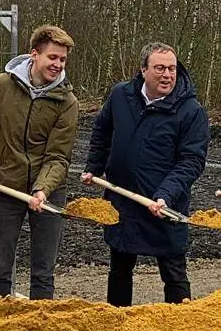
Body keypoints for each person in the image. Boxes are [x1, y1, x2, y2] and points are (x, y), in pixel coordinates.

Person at [82, 42, 209, 306]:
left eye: (172, 69)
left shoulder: (191, 111)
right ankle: (117, 321)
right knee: (119, 266)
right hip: (123, 200)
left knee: (173, 271)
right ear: (143, 70)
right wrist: (94, 167)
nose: (167, 75)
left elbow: (191, 161)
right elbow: (102, 131)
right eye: (160, 68)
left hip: (163, 204)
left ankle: (179, 326)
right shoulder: (120, 96)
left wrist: (165, 195)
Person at [0, 25, 79, 300]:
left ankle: (40, 330)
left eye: (62, 59)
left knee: (43, 270)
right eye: (52, 57)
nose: (58, 64)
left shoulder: (67, 101)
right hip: (5, 186)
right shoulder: (2, 85)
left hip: (49, 192)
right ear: (34, 55)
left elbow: (58, 156)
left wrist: (42, 190)